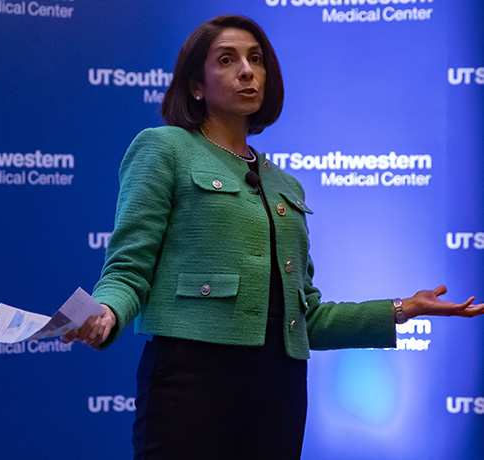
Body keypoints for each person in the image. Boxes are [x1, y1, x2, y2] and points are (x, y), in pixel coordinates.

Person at [63, 14, 484, 460]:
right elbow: (128, 266)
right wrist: (107, 309)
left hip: (281, 387)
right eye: (227, 60)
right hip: (193, 378)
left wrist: (402, 309)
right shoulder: (164, 148)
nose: (247, 70)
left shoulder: (286, 186)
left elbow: (309, 316)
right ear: (196, 86)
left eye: (256, 59)